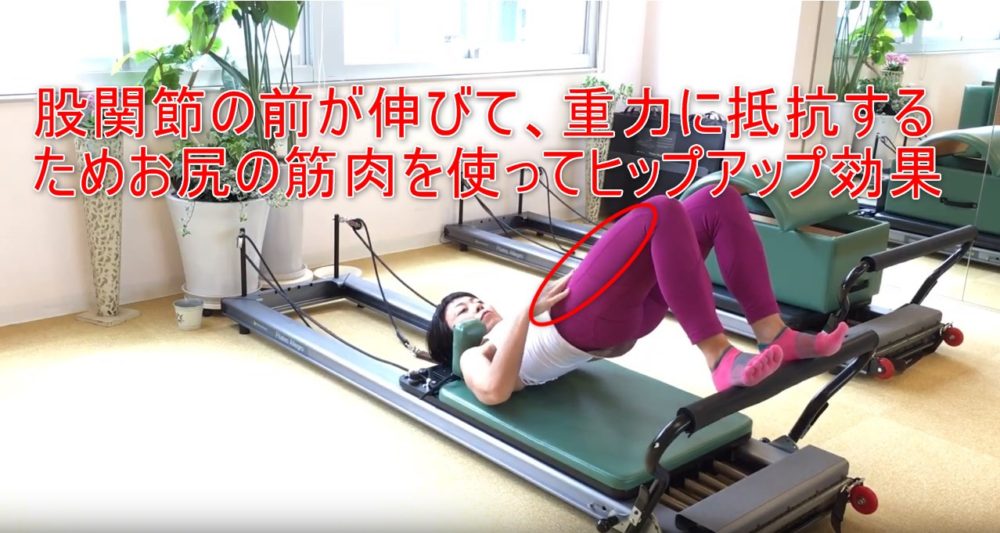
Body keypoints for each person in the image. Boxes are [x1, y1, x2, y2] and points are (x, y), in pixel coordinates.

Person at [426, 186, 850, 405]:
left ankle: (773, 332)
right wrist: (525, 312)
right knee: (659, 210)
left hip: (626, 315)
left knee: (717, 198)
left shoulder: (511, 329)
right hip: (585, 324)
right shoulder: (473, 353)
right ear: (452, 335)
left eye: (475, 299)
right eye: (462, 310)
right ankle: (718, 356)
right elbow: (494, 392)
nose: (477, 306)